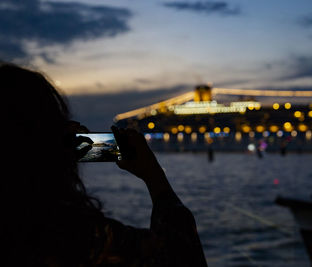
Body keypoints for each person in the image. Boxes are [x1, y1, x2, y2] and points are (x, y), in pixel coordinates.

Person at [1, 63, 208, 266]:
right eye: (60, 122)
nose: (75, 127)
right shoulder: (72, 236)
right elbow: (180, 254)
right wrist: (154, 176)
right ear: (43, 138)